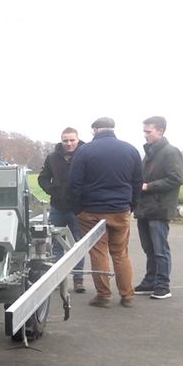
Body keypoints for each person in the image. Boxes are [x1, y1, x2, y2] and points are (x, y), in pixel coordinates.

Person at [68, 117, 143, 308]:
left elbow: (74, 183)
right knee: (121, 253)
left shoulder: (84, 151)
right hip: (120, 209)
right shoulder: (130, 150)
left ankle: (103, 296)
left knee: (98, 252)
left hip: (91, 211)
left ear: (94, 130)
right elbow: (137, 181)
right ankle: (127, 296)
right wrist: (131, 205)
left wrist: (77, 209)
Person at [134, 116, 183, 300]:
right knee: (149, 248)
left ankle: (163, 285)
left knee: (160, 249)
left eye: (148, 131)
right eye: (144, 131)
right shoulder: (149, 153)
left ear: (160, 131)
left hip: (159, 208)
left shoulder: (171, 152)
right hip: (144, 208)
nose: (145, 135)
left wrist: (148, 186)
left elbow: (176, 178)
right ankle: (150, 281)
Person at [38, 127, 86, 293]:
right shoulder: (52, 158)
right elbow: (43, 178)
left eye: (72, 140)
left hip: (78, 208)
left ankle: (78, 279)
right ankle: (58, 278)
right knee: (56, 244)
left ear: (77, 139)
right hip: (57, 207)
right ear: (61, 140)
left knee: (78, 244)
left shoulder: (85, 155)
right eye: (65, 140)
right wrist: (52, 190)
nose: (69, 143)